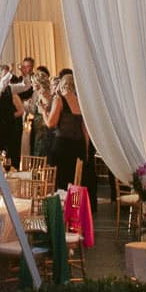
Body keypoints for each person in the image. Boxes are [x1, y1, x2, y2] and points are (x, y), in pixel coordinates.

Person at [44, 68, 92, 209]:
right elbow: (85, 129)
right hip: (78, 147)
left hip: (62, 146)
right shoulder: (81, 101)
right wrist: (87, 150)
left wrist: (44, 113)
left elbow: (51, 123)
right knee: (75, 183)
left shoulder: (60, 99)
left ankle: (59, 214)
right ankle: (74, 212)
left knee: (60, 183)